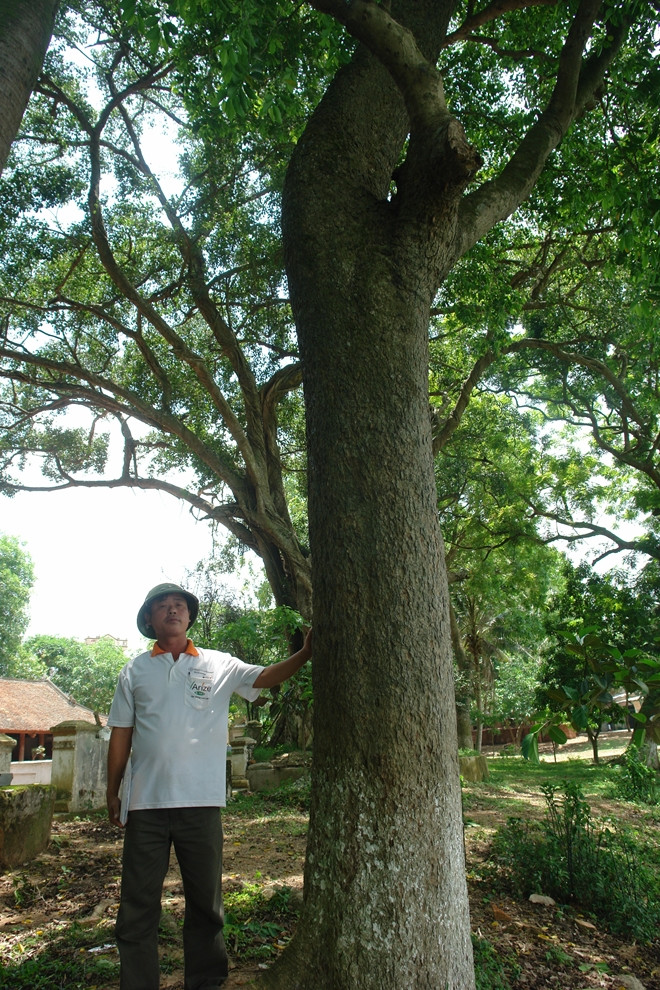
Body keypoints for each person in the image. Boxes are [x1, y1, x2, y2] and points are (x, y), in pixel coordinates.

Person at [106, 582, 312, 990]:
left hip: (201, 805)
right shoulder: (134, 670)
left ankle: (205, 983)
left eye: (178, 604)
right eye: (162, 606)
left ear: (189, 615)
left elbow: (266, 677)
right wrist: (112, 792)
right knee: (137, 907)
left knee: (205, 905)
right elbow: (121, 736)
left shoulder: (219, 664)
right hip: (145, 806)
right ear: (149, 619)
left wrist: (305, 653)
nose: (171, 610)